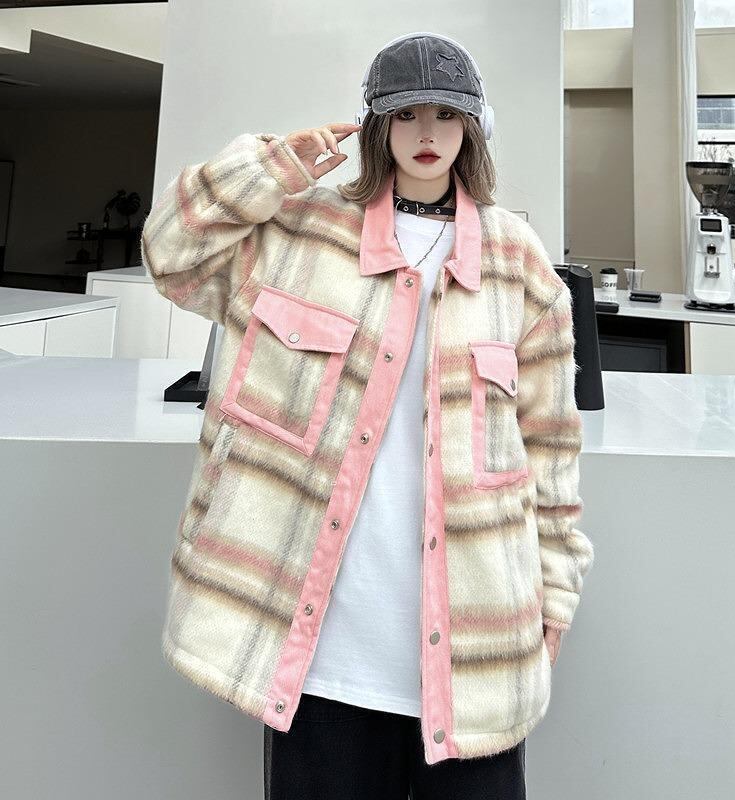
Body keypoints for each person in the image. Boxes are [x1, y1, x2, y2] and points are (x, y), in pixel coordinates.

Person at [142, 31, 594, 800]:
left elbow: (549, 450)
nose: (426, 133)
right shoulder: (300, 232)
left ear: (472, 127)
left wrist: (556, 593)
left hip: (475, 653)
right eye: (406, 114)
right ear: (377, 126)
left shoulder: (519, 263)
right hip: (323, 656)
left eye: (444, 114)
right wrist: (273, 166)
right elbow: (171, 255)